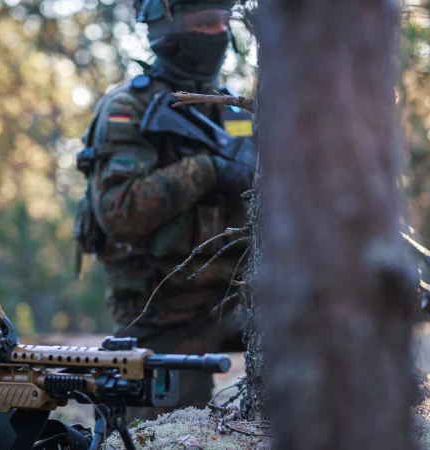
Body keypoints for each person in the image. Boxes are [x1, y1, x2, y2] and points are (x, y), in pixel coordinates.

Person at [74, 0, 256, 419]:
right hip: (161, 312)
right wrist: (207, 170)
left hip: (235, 300)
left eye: (223, 23)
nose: (219, 34)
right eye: (205, 23)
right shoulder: (129, 108)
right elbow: (119, 212)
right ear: (166, 30)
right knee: (156, 434)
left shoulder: (231, 107)